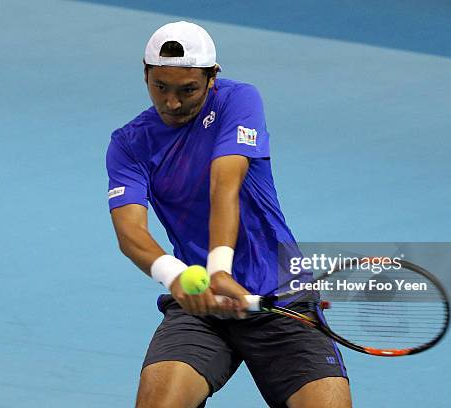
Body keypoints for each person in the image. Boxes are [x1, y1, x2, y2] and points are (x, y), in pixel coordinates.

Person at [106, 21, 352, 408]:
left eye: (187, 90)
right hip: (199, 307)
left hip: (281, 299)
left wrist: (220, 268)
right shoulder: (129, 144)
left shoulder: (239, 101)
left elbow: (225, 185)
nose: (172, 103)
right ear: (145, 74)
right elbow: (130, 232)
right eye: (160, 87)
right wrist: (178, 277)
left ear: (212, 78)